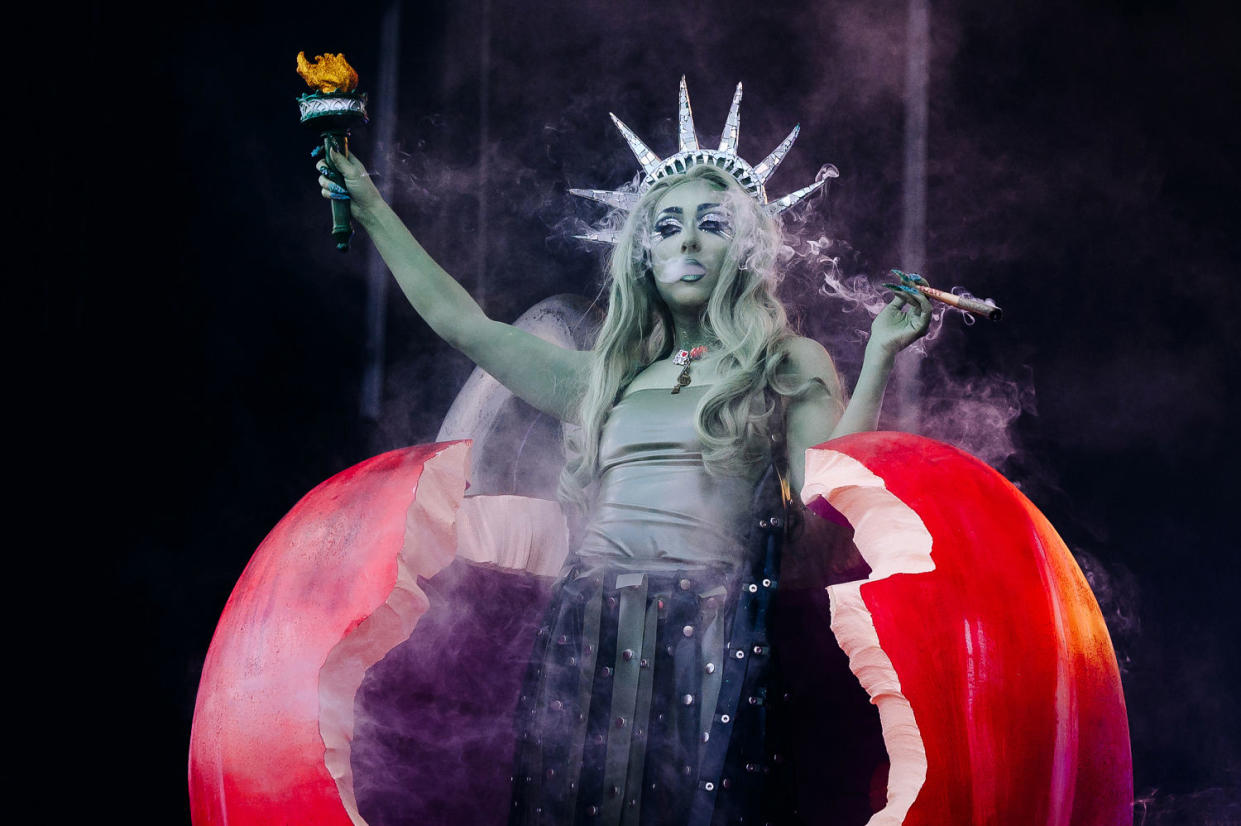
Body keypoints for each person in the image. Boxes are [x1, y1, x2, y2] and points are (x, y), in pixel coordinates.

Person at [315, 83, 931, 826]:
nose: (688, 242)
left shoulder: (784, 361)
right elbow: (463, 324)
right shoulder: (601, 376)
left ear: (745, 249)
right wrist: (370, 202)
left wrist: (877, 358)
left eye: (711, 225)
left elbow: (834, 492)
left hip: (713, 622)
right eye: (667, 227)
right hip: (590, 618)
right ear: (643, 250)